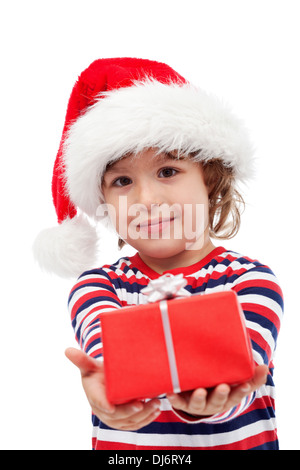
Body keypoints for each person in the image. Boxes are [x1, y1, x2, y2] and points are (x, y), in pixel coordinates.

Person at [34, 58, 283, 450]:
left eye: (167, 171)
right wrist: (110, 386)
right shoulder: (98, 287)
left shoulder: (250, 280)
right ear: (103, 201)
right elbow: (105, 349)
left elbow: (245, 373)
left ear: (210, 179)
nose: (145, 200)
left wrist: (212, 397)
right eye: (122, 181)